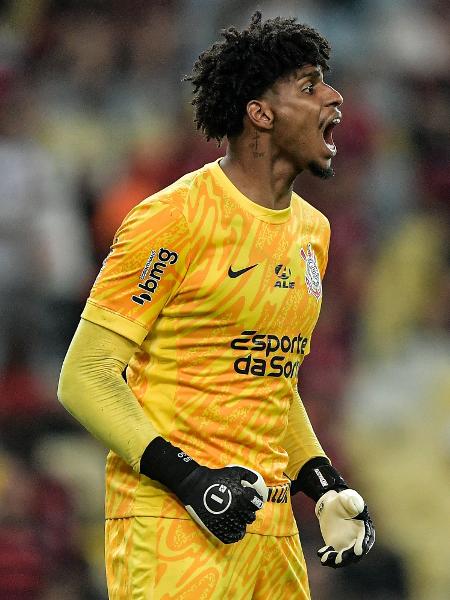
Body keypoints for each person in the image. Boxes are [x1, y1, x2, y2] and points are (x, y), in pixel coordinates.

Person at [58, 12, 375, 599]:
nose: (334, 96)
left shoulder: (314, 232)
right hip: (174, 522)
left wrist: (322, 482)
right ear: (261, 113)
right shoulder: (173, 217)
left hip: (271, 532)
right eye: (309, 86)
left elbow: (270, 377)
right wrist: (189, 479)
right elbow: (85, 375)